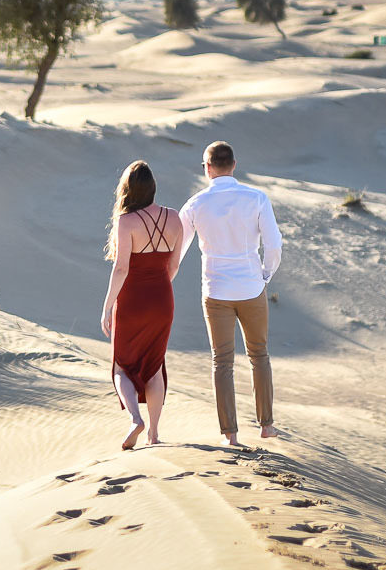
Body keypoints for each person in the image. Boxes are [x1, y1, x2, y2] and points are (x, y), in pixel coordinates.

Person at [179, 140, 282, 446]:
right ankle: (266, 426)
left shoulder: (195, 204)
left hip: (216, 291)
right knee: (259, 355)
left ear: (206, 169)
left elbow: (178, 249)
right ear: (234, 165)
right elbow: (274, 244)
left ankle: (230, 435)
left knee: (221, 361)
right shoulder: (257, 197)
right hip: (251, 287)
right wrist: (264, 274)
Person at [100, 161, 184, 450]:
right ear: (153, 188)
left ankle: (136, 419)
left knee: (122, 366)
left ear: (127, 190)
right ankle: (155, 433)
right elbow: (174, 265)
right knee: (154, 364)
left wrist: (108, 306)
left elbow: (121, 268)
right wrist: (159, 287)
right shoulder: (174, 218)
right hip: (163, 298)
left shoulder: (126, 221)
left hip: (132, 300)